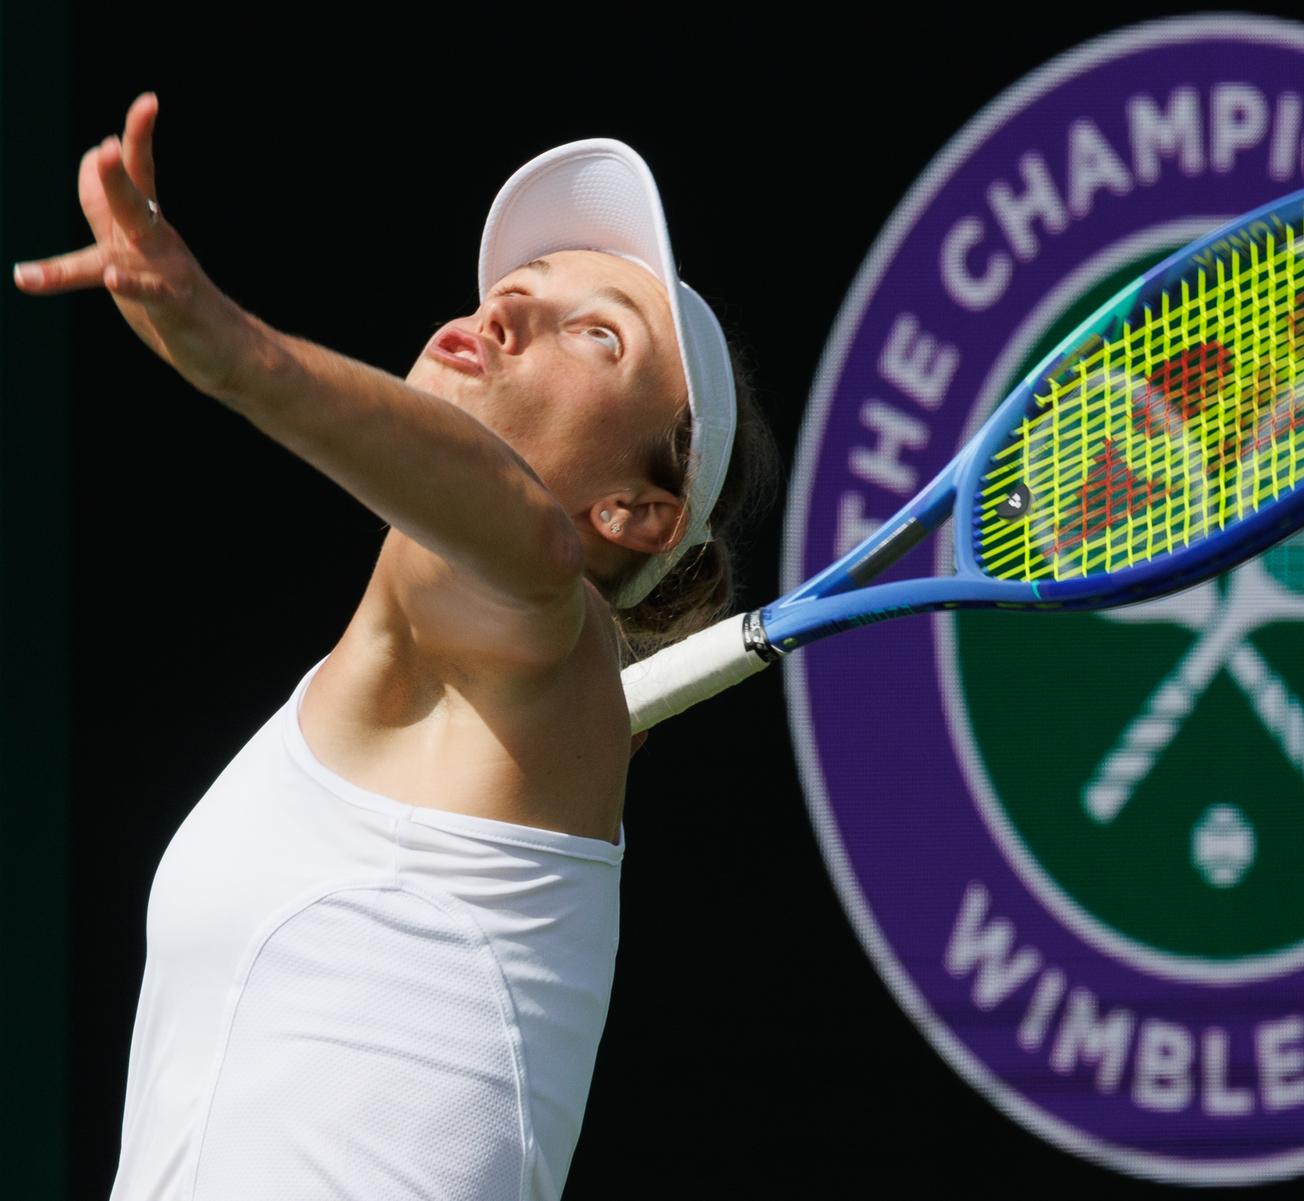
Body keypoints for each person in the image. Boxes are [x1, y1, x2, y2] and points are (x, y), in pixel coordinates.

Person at [13, 93, 780, 1199]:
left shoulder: (557, 680)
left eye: (599, 333)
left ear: (636, 512)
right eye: (528, 283)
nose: (514, 302)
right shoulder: (325, 710)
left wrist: (235, 352)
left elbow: (525, 540)